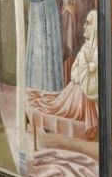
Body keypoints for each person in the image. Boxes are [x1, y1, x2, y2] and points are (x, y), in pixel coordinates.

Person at [26, 10, 99, 141]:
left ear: (95, 27)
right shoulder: (85, 47)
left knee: (54, 107)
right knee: (51, 104)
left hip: (81, 100)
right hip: (73, 92)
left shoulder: (98, 51)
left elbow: (91, 85)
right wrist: (84, 70)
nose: (84, 26)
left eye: (88, 23)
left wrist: (83, 69)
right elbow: (74, 73)